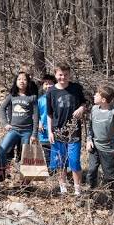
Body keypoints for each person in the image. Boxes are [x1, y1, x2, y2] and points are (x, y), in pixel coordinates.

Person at [47, 62, 88, 196]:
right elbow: (49, 114)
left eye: (65, 75)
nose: (63, 77)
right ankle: (63, 187)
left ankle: (77, 189)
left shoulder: (76, 88)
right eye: (60, 75)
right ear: (55, 75)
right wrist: (50, 131)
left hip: (74, 130)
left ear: (69, 74)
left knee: (74, 160)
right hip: (58, 131)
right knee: (60, 161)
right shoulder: (51, 91)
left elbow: (84, 102)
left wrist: (81, 108)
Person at [0, 70, 40, 183]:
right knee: (1, 150)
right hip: (14, 130)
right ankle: (1, 174)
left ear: (28, 82)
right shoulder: (12, 96)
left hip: (27, 132)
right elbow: (2, 109)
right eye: (19, 79)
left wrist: (34, 134)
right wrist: (5, 123)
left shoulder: (32, 97)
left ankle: (25, 182)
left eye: (24, 79)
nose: (22, 81)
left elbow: (36, 116)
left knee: (26, 156)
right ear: (16, 82)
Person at [87, 85, 114, 191]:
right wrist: (89, 140)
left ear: (103, 99)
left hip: (108, 149)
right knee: (91, 171)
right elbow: (90, 126)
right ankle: (90, 195)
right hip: (94, 147)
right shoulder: (94, 109)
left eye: (96, 94)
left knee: (109, 176)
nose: (94, 96)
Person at [36, 72, 56, 165]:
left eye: (50, 83)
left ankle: (58, 170)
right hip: (43, 130)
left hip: (56, 129)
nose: (48, 86)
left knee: (56, 152)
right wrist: (39, 123)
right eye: (46, 84)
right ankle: (50, 171)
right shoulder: (40, 100)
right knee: (47, 152)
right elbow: (37, 114)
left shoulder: (58, 98)